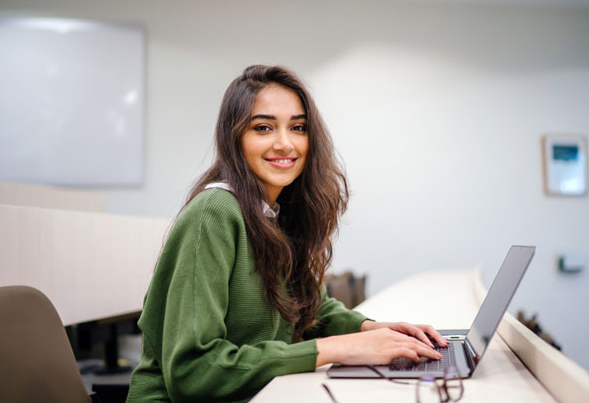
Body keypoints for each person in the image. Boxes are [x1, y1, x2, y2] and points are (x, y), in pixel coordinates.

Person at [126, 65, 447, 403]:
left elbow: (310, 307)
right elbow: (193, 372)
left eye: (298, 127)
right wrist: (338, 348)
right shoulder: (215, 212)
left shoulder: (274, 213)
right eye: (263, 128)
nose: (285, 143)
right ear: (234, 138)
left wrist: (371, 330)